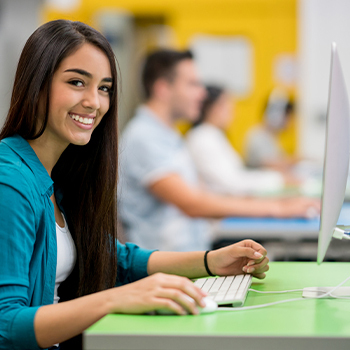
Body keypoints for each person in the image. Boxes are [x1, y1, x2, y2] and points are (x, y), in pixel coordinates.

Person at [0, 20, 270, 350]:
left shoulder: (59, 175)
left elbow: (116, 258)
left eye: (104, 88)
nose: (94, 102)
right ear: (36, 84)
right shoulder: (10, 181)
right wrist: (116, 299)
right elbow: (5, 325)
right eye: (76, 82)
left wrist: (210, 262)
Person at [118, 49, 320, 253]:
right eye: (192, 84)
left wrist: (277, 202)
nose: (202, 93)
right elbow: (192, 204)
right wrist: (278, 208)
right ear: (162, 88)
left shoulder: (168, 136)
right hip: (165, 265)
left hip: (189, 253)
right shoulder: (144, 137)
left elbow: (204, 194)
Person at [186, 85, 286, 196]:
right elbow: (231, 184)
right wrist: (277, 179)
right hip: (224, 205)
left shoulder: (213, 135)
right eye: (226, 104)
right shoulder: (203, 138)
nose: (231, 110)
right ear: (212, 108)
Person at [244, 88, 298, 171]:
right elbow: (272, 164)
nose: (290, 122)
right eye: (288, 117)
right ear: (275, 115)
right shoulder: (257, 136)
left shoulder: (271, 137)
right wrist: (299, 160)